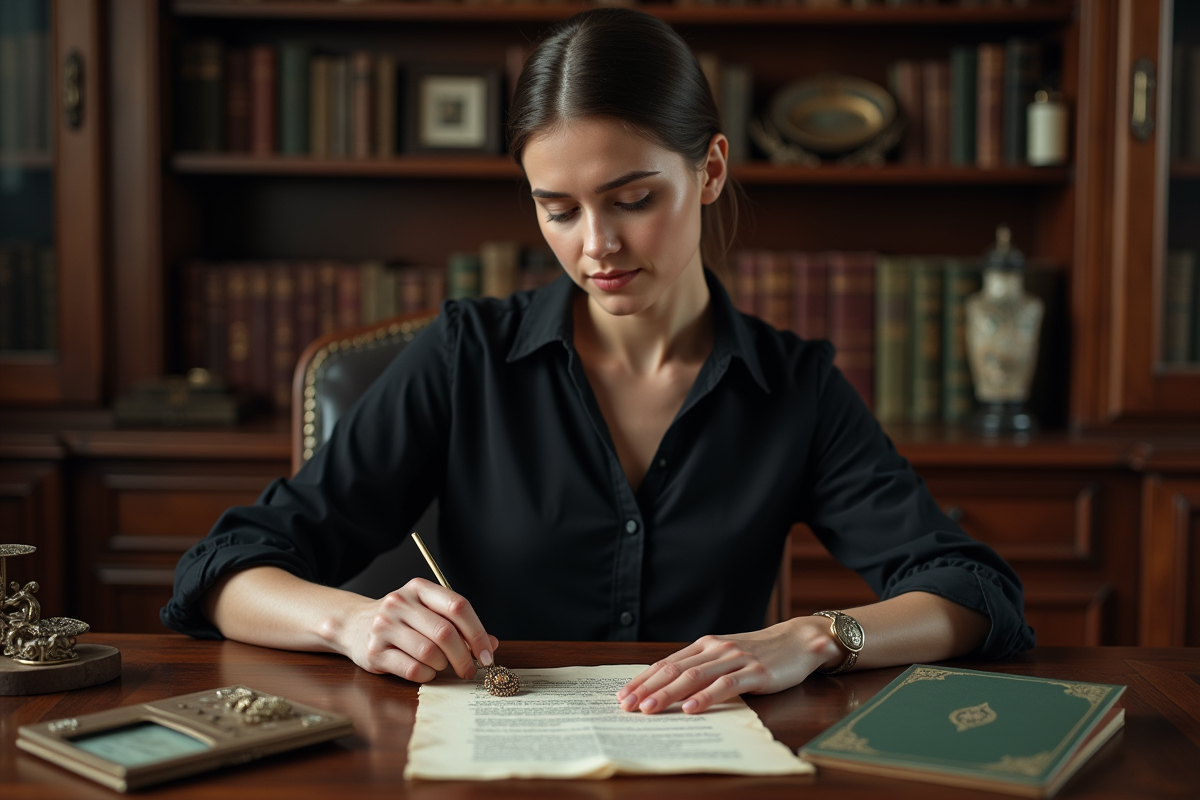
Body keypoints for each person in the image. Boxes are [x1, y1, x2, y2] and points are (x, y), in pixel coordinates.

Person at [163, 7, 1034, 717]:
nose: (597, 246)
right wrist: (351, 621)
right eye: (559, 209)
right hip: (485, 757)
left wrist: (815, 636)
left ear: (712, 169)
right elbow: (224, 568)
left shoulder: (792, 384)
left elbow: (971, 591)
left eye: (633, 199)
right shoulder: (468, 355)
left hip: (702, 765)